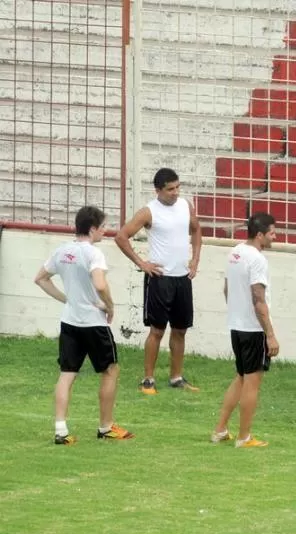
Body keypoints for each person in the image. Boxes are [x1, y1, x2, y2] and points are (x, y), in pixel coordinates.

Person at [34, 206, 134, 444]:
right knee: (110, 370)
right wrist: (109, 306)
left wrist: (66, 299)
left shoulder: (61, 251)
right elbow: (100, 285)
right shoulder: (93, 254)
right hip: (93, 323)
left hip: (70, 322)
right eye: (102, 227)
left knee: (67, 374)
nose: (105, 231)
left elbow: (40, 279)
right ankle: (106, 426)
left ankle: (60, 430)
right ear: (92, 229)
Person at [116, 167, 202, 394]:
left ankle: (176, 377)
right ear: (158, 190)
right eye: (170, 189)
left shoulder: (186, 206)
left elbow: (196, 230)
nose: (175, 193)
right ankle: (148, 379)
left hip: (182, 279)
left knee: (180, 330)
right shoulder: (148, 212)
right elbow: (121, 236)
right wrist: (141, 263)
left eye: (177, 187)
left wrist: (195, 259)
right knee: (157, 330)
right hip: (160, 279)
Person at [211, 213, 279, 448]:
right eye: (272, 232)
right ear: (260, 234)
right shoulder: (258, 260)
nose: (275, 236)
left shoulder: (235, 252)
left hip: (236, 325)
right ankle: (244, 437)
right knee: (252, 382)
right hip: (252, 328)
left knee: (240, 377)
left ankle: (220, 429)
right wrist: (269, 334)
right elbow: (258, 298)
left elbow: (226, 288)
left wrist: (235, 312)